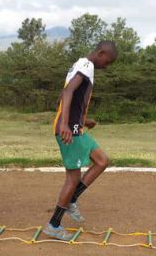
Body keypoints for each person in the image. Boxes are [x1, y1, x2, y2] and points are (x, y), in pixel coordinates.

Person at [43, 41, 118, 241]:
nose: (106, 66)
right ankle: (54, 224)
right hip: (70, 130)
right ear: (101, 53)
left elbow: (69, 94)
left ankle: (72, 199)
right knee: (73, 178)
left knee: (102, 160)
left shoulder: (83, 65)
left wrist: (84, 120)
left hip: (77, 127)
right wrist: (65, 124)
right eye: (107, 61)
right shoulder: (86, 66)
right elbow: (67, 93)